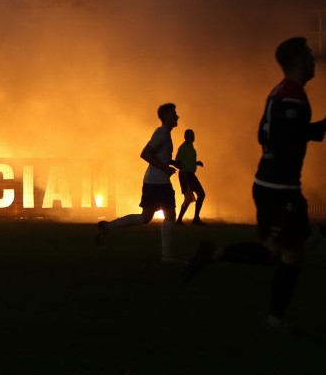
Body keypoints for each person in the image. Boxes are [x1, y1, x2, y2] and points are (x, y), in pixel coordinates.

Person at [185, 37, 326, 332]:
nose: (314, 61)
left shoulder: (278, 93)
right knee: (288, 253)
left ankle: (220, 259)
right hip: (281, 187)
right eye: (309, 57)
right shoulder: (293, 96)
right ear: (298, 62)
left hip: (268, 183)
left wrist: (310, 131)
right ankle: (274, 320)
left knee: (279, 251)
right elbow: (287, 136)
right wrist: (313, 132)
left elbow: (266, 136)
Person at [97, 103, 179, 261]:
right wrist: (165, 168)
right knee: (170, 215)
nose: (177, 116)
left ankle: (108, 227)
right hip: (159, 182)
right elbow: (146, 153)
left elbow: (157, 154)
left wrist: (173, 163)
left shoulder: (163, 133)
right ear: (166, 116)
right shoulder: (162, 133)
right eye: (174, 113)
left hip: (153, 182)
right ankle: (166, 255)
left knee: (145, 218)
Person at [175, 129, 206, 225]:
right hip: (185, 175)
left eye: (193, 135)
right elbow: (177, 162)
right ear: (185, 137)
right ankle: (185, 219)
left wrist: (196, 163)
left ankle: (191, 219)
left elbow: (188, 161)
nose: (193, 138)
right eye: (190, 136)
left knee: (199, 195)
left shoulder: (191, 148)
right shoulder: (183, 148)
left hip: (191, 175)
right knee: (190, 197)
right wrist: (182, 169)